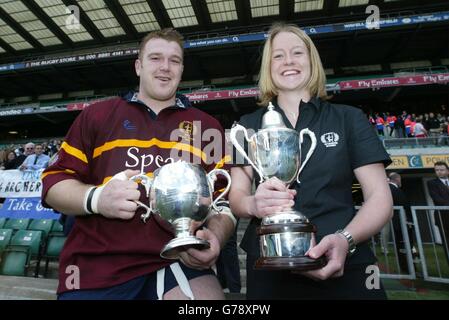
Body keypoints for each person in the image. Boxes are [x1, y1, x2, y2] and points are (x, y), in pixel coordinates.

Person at [41, 28, 236, 300]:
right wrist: (97, 198)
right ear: (138, 66)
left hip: (176, 260)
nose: (165, 68)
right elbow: (53, 185)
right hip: (97, 266)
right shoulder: (97, 115)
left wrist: (215, 236)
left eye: (174, 60)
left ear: (182, 69)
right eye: (155, 58)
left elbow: (222, 204)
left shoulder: (208, 127)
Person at [228, 23, 393, 300]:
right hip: (271, 265)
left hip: (348, 262)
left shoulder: (349, 118)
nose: (289, 61)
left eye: (297, 53)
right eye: (278, 56)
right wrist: (253, 204)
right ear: (268, 66)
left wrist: (345, 239)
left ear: (312, 61)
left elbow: (379, 197)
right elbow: (237, 197)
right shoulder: (246, 126)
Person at [387, 172, 416, 273]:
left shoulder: (391, 189)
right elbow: (403, 205)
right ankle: (407, 268)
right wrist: (408, 220)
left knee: (403, 245)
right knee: (404, 245)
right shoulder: (393, 189)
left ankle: (407, 267)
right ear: (398, 179)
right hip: (401, 222)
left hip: (400, 222)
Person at [427, 161, 449, 265]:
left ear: (447, 171)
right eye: (437, 170)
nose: (439, 172)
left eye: (442, 170)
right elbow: (437, 199)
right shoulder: (432, 183)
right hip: (443, 217)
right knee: (447, 242)